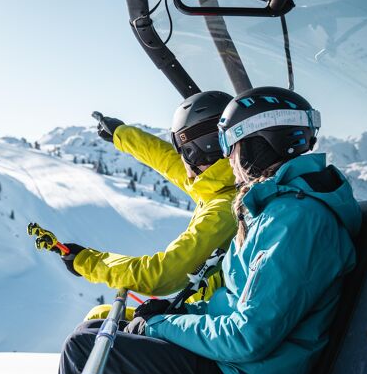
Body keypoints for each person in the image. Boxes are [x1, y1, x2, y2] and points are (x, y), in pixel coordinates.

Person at [58, 86, 362, 374]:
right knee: (102, 329)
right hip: (236, 368)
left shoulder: (295, 220)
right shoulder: (277, 207)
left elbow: (247, 337)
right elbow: (233, 304)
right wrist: (178, 312)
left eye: (230, 146)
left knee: (85, 347)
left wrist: (161, 324)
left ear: (257, 146)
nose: (227, 159)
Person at [60, 91, 237, 319]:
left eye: (185, 152)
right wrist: (121, 134)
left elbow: (161, 275)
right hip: (206, 312)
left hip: (211, 324)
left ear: (203, 150)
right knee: (100, 314)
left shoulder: (225, 207)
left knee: (97, 322)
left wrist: (87, 262)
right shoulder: (219, 183)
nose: (184, 166)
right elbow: (165, 160)